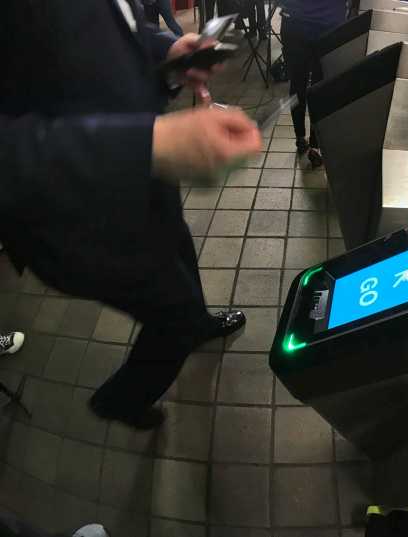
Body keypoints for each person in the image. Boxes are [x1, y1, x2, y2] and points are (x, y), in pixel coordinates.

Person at [1, 1, 262, 429]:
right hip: (80, 211)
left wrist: (168, 53)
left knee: (179, 246)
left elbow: (111, 27)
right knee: (174, 315)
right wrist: (145, 144)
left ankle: (197, 322)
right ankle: (121, 401)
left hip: (147, 172)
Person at [279, 0, 346, 167]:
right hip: (329, 23)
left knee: (297, 83)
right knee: (321, 87)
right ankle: (316, 145)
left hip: (294, 22)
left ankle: (300, 138)